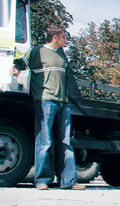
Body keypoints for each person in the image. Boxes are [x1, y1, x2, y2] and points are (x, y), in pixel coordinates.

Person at [10, 24, 85, 190]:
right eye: (64, 36)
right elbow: (20, 63)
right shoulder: (37, 51)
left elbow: (65, 79)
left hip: (62, 104)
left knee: (65, 142)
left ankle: (68, 181)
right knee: (44, 142)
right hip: (44, 101)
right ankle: (42, 180)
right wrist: (15, 70)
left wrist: (66, 99)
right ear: (55, 37)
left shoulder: (61, 56)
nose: (66, 40)